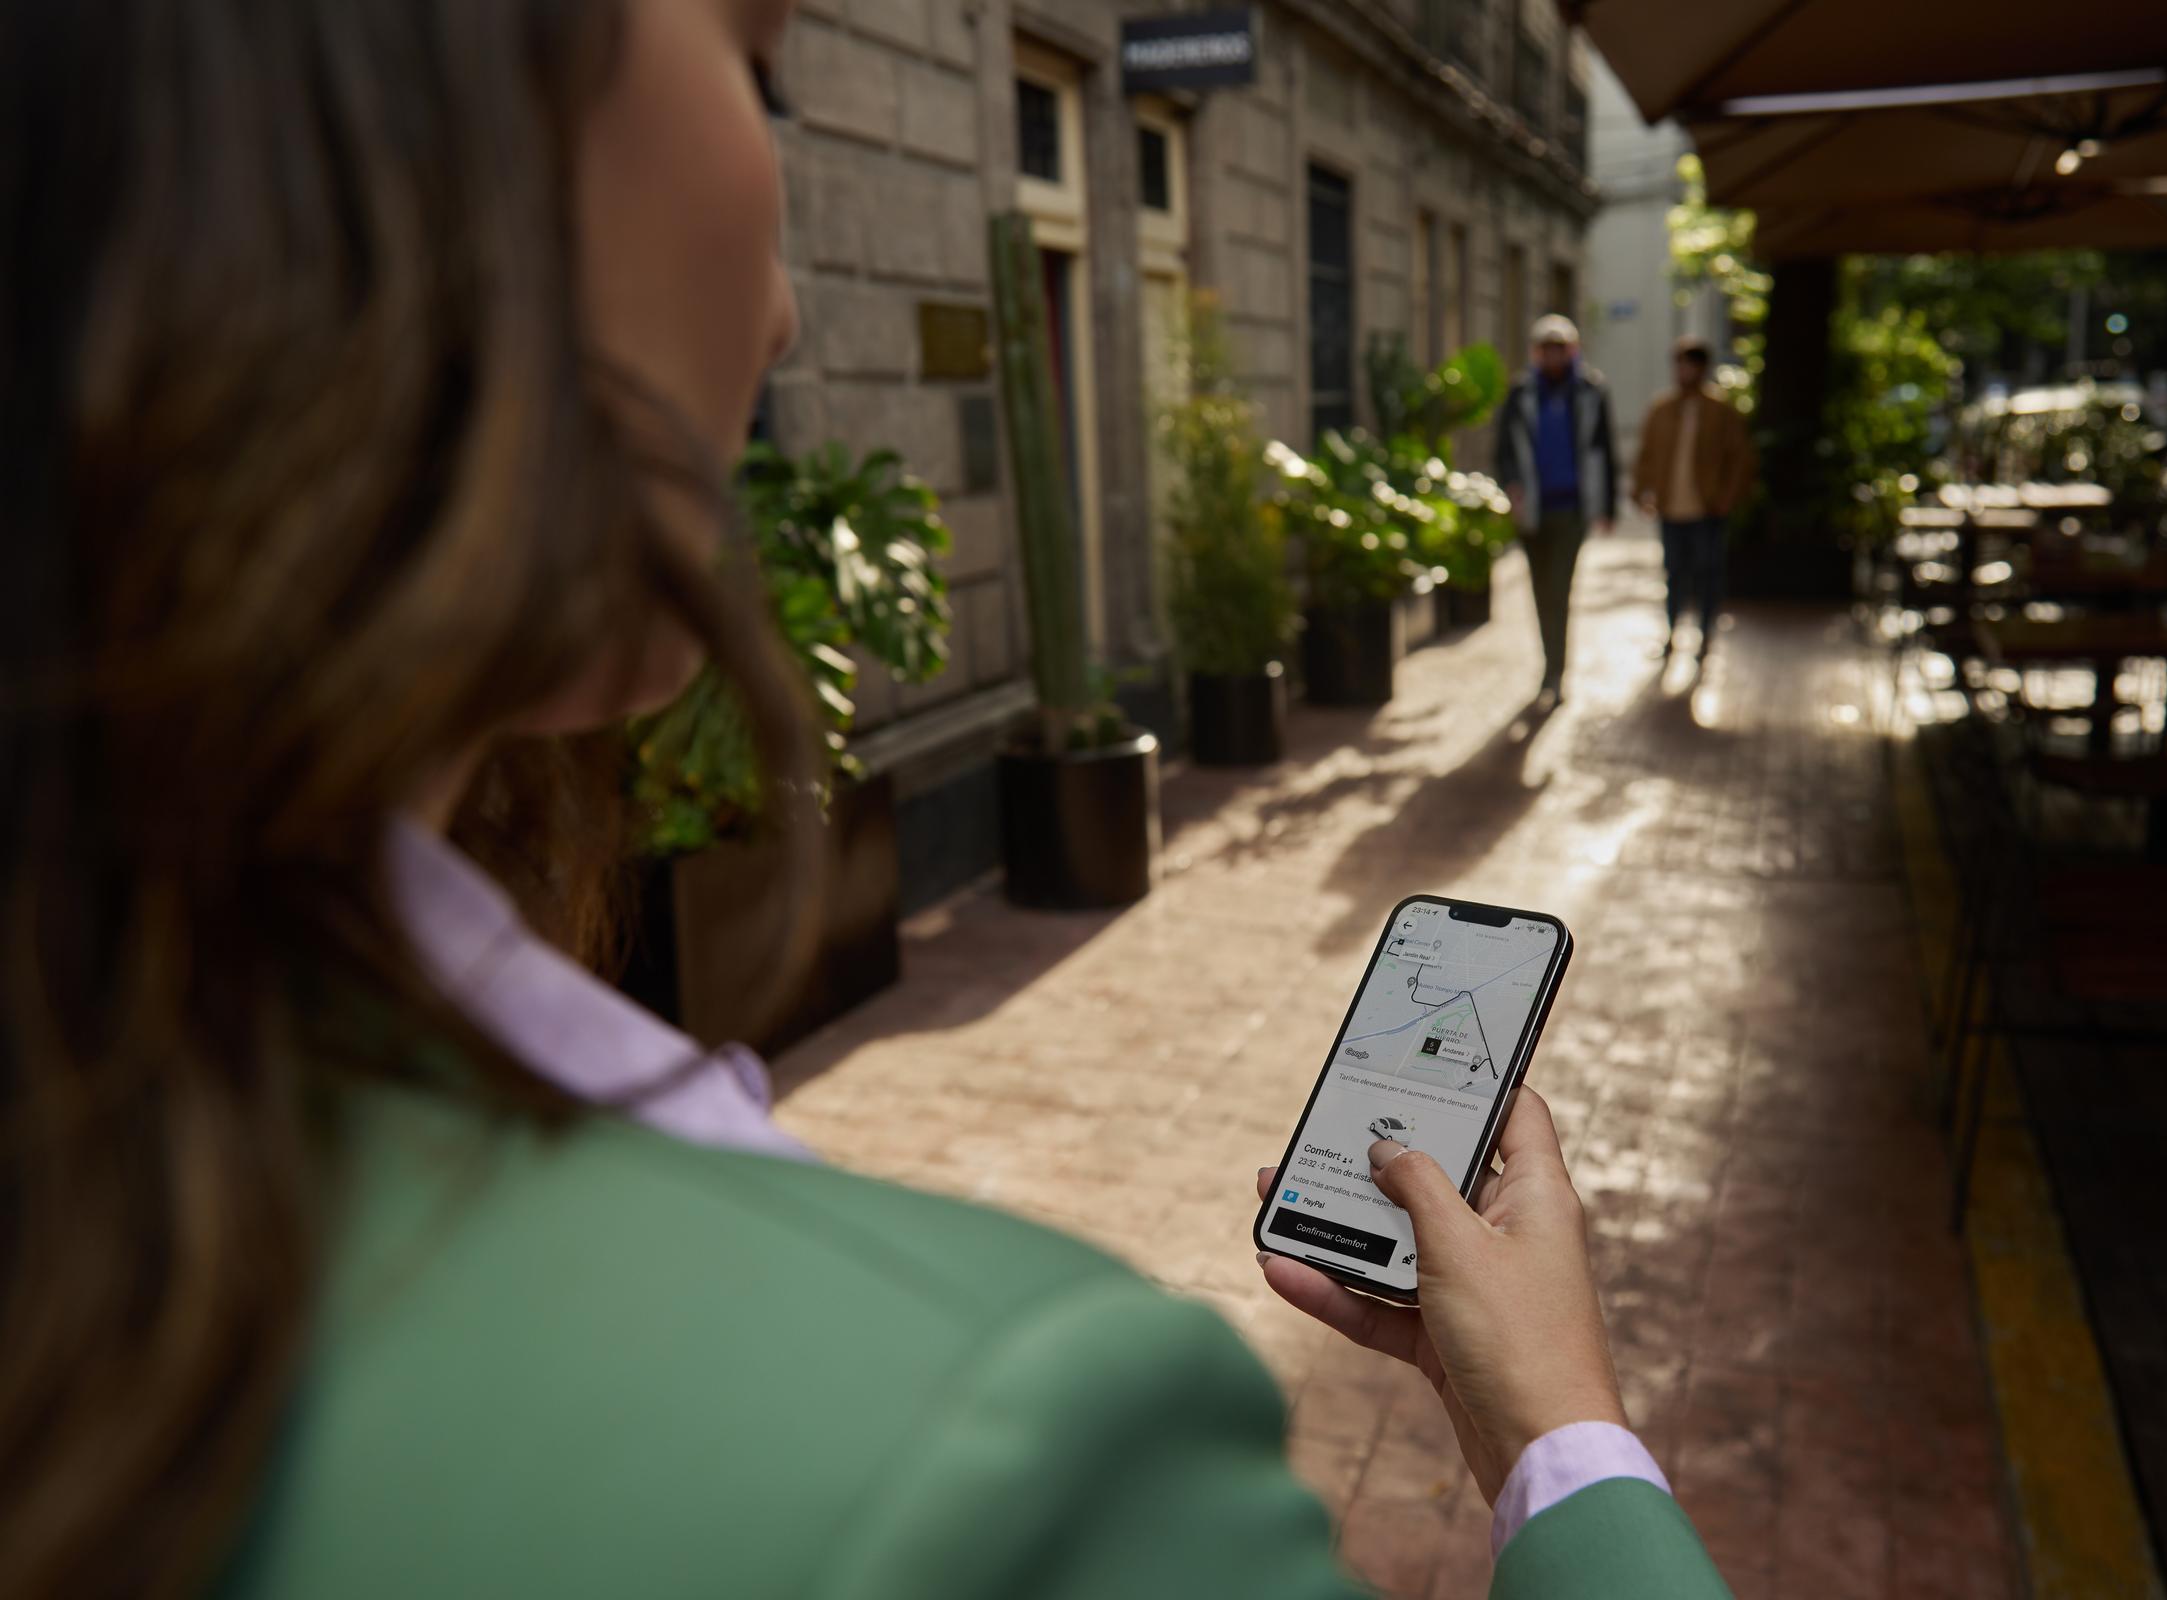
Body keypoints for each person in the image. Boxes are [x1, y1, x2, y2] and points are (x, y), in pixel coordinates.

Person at [0, 3, 1731, 1597]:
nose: (784, 307)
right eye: (751, 61)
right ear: (406, 147)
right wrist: (1558, 1434)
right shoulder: (1000, 1460)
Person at [1495, 314, 1618, 706]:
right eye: (1546, 349)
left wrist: (1608, 505)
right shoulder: (1521, 393)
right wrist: (1510, 486)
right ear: (1537, 352)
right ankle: (1549, 664)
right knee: (1539, 590)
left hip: (1571, 508)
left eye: (1559, 349)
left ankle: (1555, 673)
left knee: (1559, 589)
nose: (1553, 356)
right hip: (1533, 507)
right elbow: (1504, 451)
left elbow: (1605, 449)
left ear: (1571, 351)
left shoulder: (1590, 391)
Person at [1633, 336, 1757, 660]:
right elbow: (1645, 456)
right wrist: (1642, 493)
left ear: (1701, 368)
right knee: (1674, 573)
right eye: (1679, 364)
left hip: (1707, 509)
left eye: (1689, 365)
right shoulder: (1662, 409)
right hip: (1671, 508)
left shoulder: (1720, 411)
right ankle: (1672, 635)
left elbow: (1740, 458)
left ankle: (1705, 636)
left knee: (1707, 574)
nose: (1683, 371)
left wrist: (1728, 497)